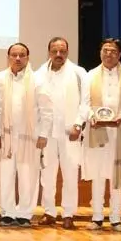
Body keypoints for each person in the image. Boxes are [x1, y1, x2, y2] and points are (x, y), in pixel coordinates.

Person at [80, 38, 121, 232]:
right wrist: (91, 116)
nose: (109, 54)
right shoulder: (90, 76)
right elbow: (84, 104)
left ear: (120, 55)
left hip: (120, 132)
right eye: (105, 50)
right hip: (96, 131)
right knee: (98, 174)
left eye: (113, 51)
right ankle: (97, 216)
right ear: (100, 53)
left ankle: (116, 217)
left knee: (118, 174)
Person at [33, 37, 87, 229]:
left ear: (67, 52)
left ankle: (68, 213)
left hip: (70, 132)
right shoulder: (38, 74)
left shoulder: (79, 73)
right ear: (49, 52)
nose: (58, 55)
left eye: (62, 51)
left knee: (70, 173)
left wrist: (79, 125)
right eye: (54, 51)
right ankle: (49, 212)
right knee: (47, 173)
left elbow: (85, 103)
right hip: (46, 134)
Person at [0, 43, 51, 226]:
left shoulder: (37, 80)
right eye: (14, 55)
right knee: (5, 175)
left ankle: (25, 214)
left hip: (30, 137)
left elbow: (46, 110)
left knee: (28, 176)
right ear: (8, 57)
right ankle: (7, 213)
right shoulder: (0, 79)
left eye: (22, 55)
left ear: (27, 58)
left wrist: (43, 134)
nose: (18, 59)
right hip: (6, 136)